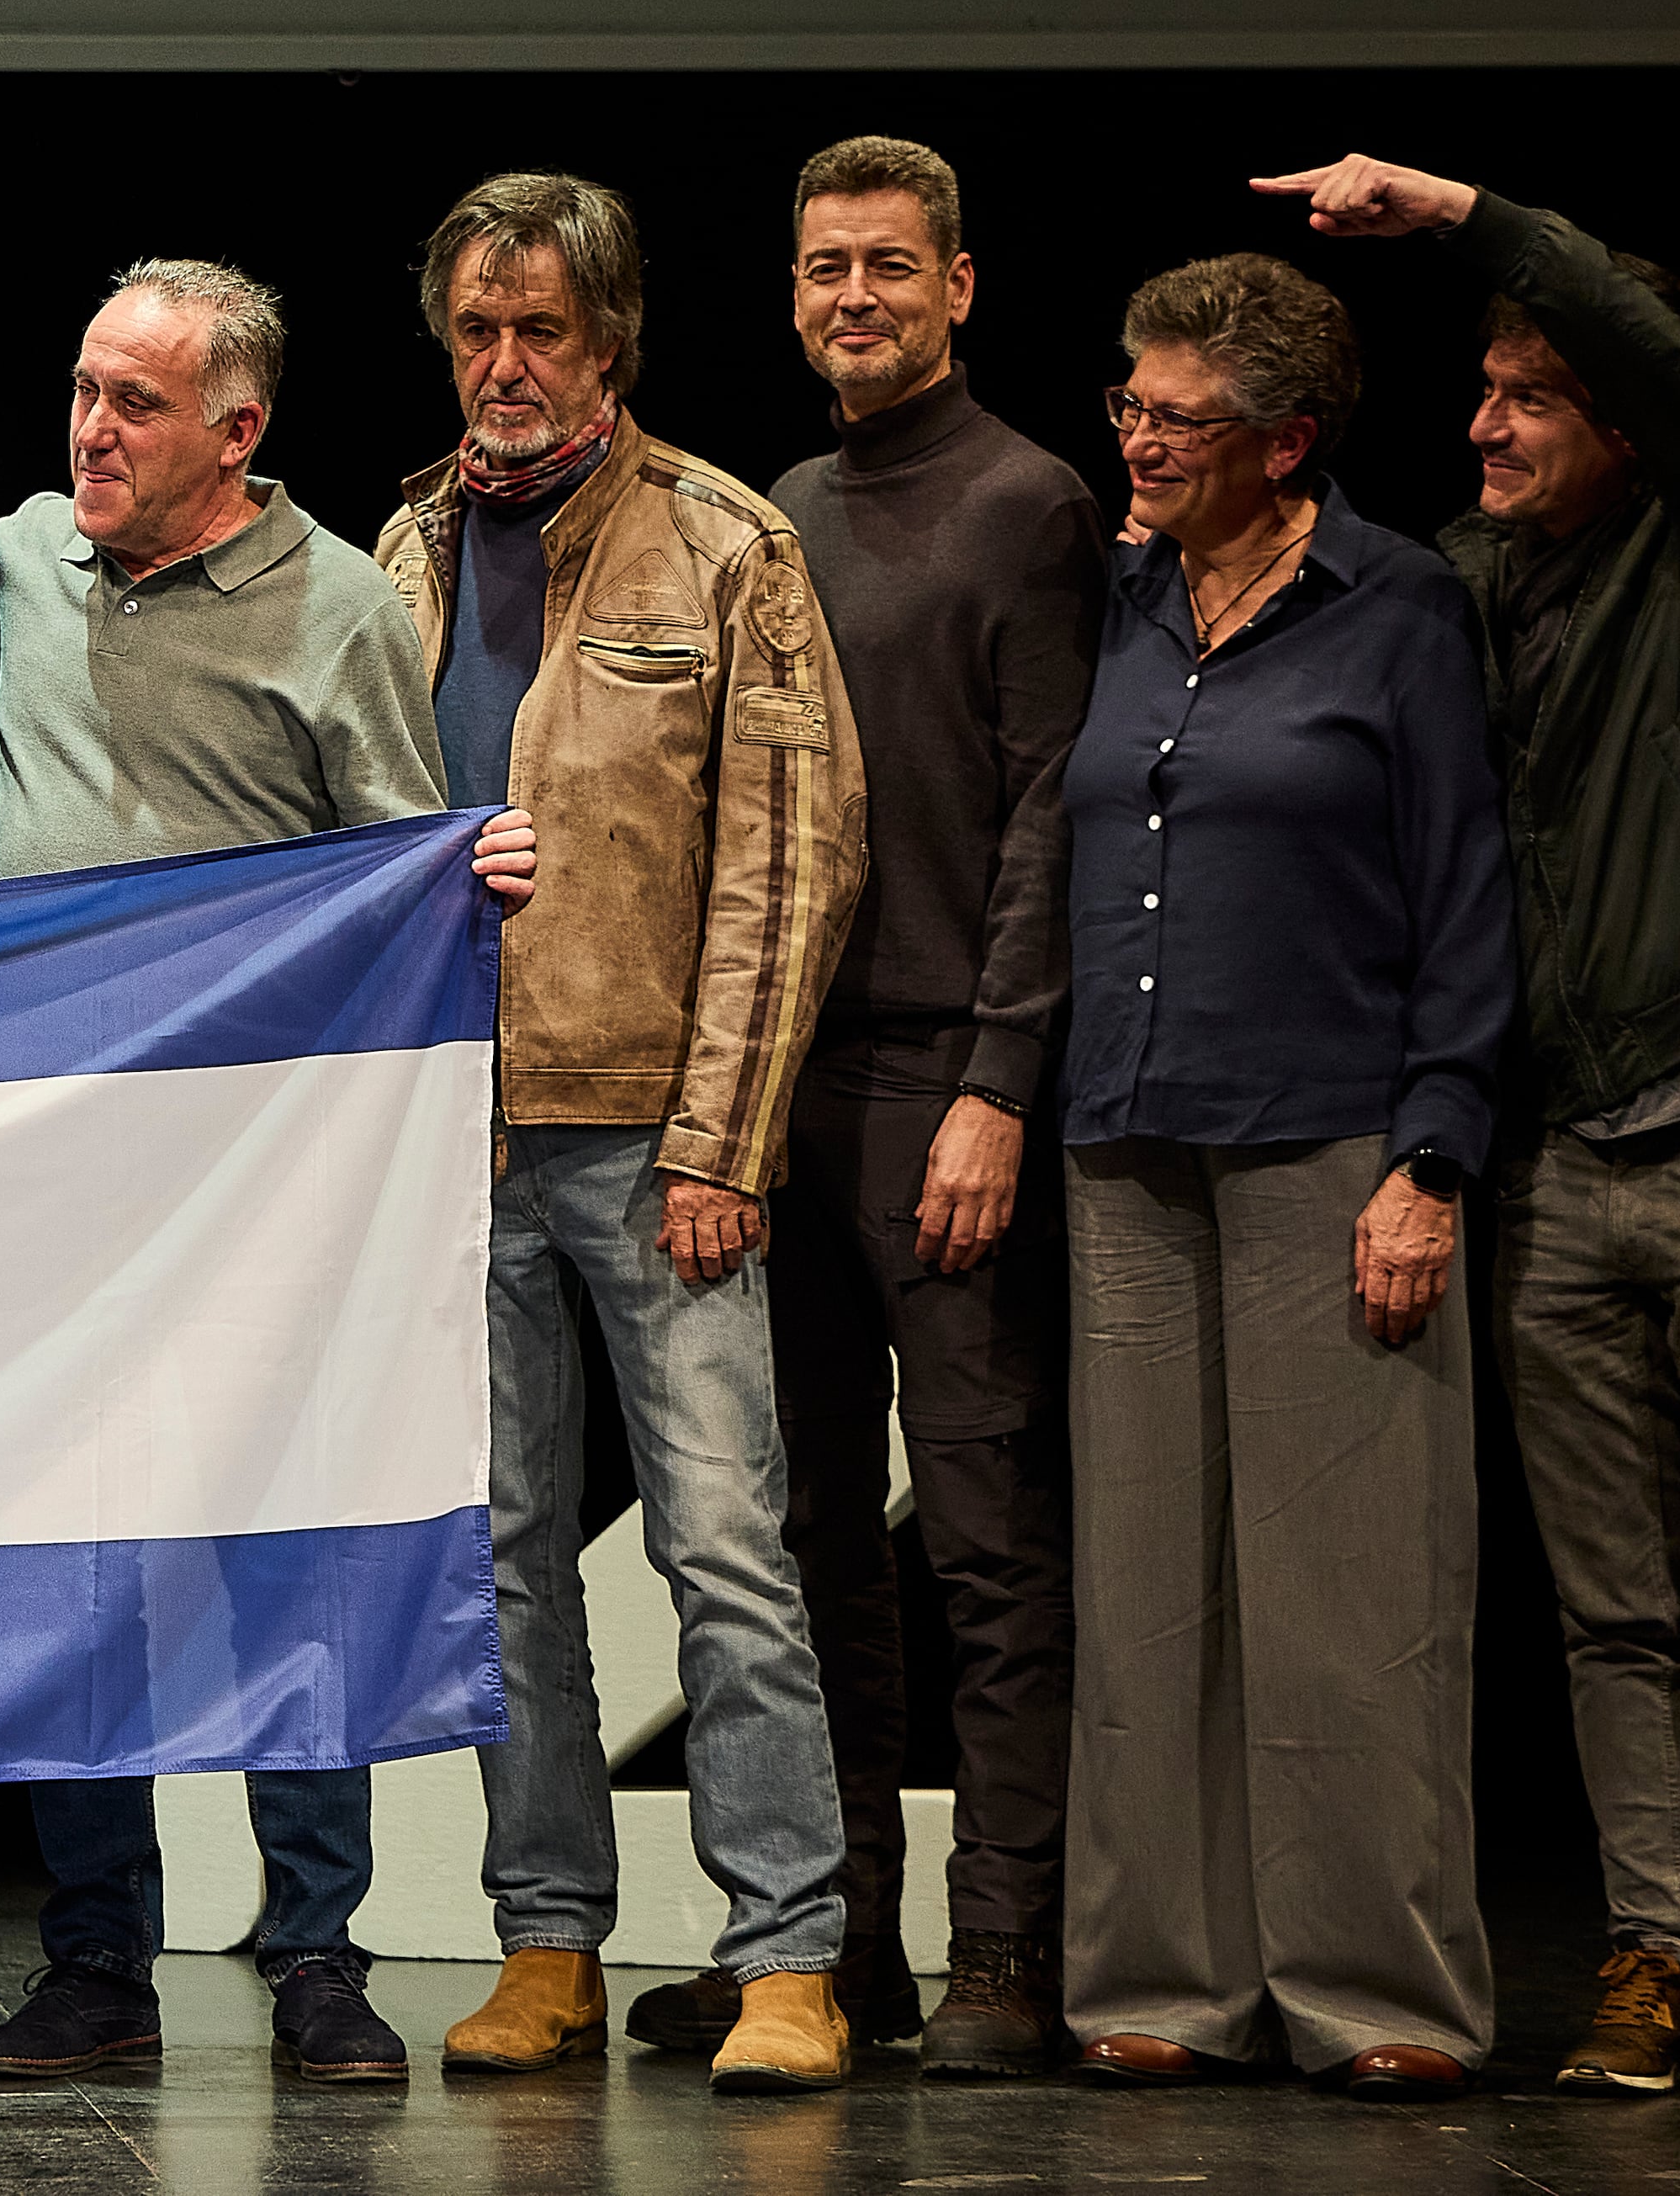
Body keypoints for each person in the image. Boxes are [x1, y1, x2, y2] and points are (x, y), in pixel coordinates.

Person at [1259, 155, 1680, 2111]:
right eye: (1481, 384)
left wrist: (1456, 212)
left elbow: (1656, 365)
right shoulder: (1465, 585)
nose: (1487, 419)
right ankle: (1661, 1950)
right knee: (1612, 1606)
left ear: (1623, 411)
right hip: (1561, 1153)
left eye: (1528, 389)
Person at [0, 259, 533, 2090]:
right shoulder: (20, 555)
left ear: (237, 429)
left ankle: (312, 1957)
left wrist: (468, 878)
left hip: (259, 1185)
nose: (91, 428)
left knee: (286, 1562)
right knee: (73, 1571)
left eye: (136, 401)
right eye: (82, 387)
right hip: (52, 1168)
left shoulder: (340, 605)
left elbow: (393, 866)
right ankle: (95, 1953)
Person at [370, 172, 870, 2098]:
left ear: (611, 342)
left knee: (725, 1546)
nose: (506, 363)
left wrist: (721, 1141)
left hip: (653, 1135)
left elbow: (792, 861)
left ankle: (787, 1953)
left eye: (544, 331)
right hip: (454, 1136)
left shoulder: (721, 541)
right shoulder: (401, 544)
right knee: (501, 1557)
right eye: (479, 328)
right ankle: (546, 1935)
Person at [1057, 251, 1514, 2102]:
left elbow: (1466, 901)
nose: (1141, 437)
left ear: (1287, 441)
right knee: (1144, 1593)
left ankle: (1373, 1982)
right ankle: (1164, 1971)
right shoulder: (1116, 595)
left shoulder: (1395, 606)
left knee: (1350, 1593)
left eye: (1178, 415)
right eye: (1131, 402)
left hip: (1332, 1134)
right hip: (1126, 1134)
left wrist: (1431, 1151)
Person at [713, 135, 1094, 2081]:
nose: (849, 296)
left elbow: (1052, 817)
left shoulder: (1032, 505)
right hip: (793, 1093)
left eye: (885, 265)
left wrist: (996, 1087)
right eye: (820, 268)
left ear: (958, 286)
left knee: (983, 1542)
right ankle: (841, 1935)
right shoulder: (777, 510)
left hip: (948, 1090)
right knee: (805, 1547)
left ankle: (1007, 1953)